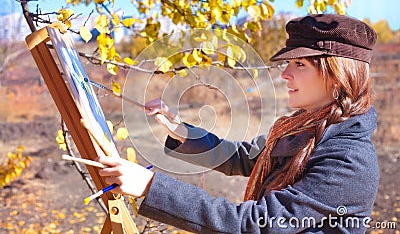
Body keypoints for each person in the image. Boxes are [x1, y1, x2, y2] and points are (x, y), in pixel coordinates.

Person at [97, 14, 379, 233]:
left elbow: (256, 225)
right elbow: (246, 158)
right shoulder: (301, 129)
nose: (285, 74)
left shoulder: (348, 160)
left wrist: (151, 186)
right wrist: (181, 130)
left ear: (338, 76)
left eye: (300, 65)